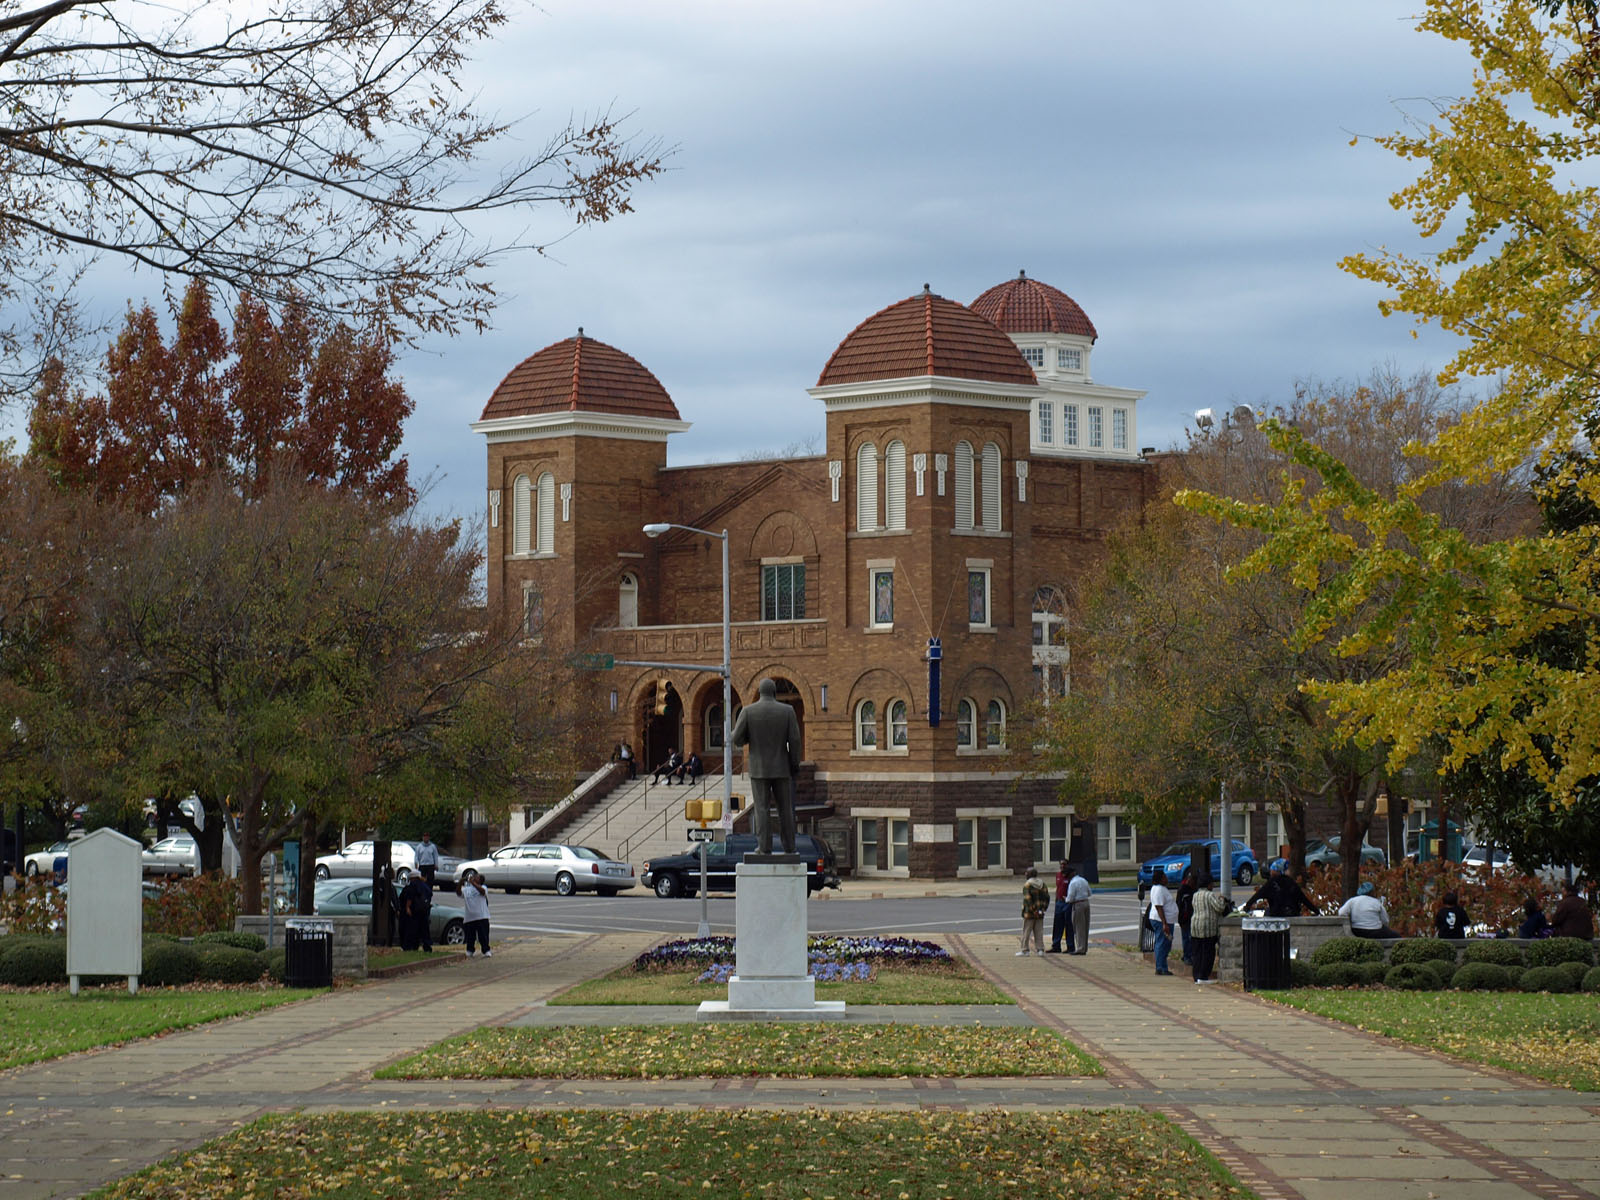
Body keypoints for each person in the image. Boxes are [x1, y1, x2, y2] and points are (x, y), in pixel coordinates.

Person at [730, 678, 803, 854]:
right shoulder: (788, 711)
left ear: (759, 692)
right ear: (774, 693)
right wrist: (794, 764)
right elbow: (795, 741)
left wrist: (750, 737)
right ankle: (790, 846)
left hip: (758, 768)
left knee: (761, 808)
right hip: (782, 767)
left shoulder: (748, 711)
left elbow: (736, 739)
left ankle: (764, 847)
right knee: (785, 809)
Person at [1190, 874, 1232, 983]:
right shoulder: (1210, 895)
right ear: (1208, 885)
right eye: (1212, 883)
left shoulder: (1195, 895)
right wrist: (1222, 899)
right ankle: (1203, 976)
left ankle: (1196, 975)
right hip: (1207, 927)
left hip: (1195, 926)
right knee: (1207, 952)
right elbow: (1219, 908)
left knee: (1197, 953)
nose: (1213, 885)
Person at [1244, 860, 1318, 918]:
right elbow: (1304, 899)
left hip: (1276, 913)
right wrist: (1316, 911)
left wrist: (1247, 907)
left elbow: (1257, 896)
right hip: (1292, 913)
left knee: (1267, 912)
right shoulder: (1291, 883)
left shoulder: (1271, 883)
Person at [1148, 869, 1179, 975]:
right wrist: (1164, 923)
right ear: (1161, 879)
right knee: (1162, 943)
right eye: (1165, 877)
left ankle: (1162, 966)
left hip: (1167, 920)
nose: (1167, 878)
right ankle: (1161, 967)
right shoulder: (1159, 890)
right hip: (1161, 920)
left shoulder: (1160, 888)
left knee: (1164, 943)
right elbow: (1159, 907)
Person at [1018, 866, 1050, 956]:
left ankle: (1025, 950)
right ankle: (1040, 949)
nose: (1025, 874)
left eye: (1026, 873)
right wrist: (1043, 909)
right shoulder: (1042, 884)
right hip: (1040, 913)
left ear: (1030, 875)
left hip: (1029, 913)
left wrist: (1033, 910)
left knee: (1026, 931)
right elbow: (1047, 897)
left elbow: (1028, 899)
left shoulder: (1028, 885)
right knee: (1039, 931)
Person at [461, 869, 492, 957]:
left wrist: (473, 883)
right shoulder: (466, 889)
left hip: (482, 916)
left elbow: (482, 892)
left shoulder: (484, 887)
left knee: (483, 936)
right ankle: (470, 950)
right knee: (470, 936)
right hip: (470, 917)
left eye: (477, 877)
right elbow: (459, 893)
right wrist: (460, 882)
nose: (474, 877)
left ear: (480, 880)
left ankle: (486, 950)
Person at [399, 873, 433, 952]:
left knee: (412, 930)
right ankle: (427, 947)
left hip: (414, 911)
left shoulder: (412, 886)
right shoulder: (425, 886)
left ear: (411, 878)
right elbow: (430, 895)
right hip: (424, 911)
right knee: (424, 931)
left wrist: (407, 908)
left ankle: (410, 947)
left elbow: (409, 897)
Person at [1066, 861, 1092, 954]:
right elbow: (1089, 893)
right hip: (1086, 903)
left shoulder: (1072, 883)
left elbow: (1070, 898)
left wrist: (1066, 899)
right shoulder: (1083, 880)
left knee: (1078, 927)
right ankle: (1084, 947)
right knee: (1085, 926)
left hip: (1077, 904)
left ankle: (1080, 948)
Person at [1049, 860, 1072, 953]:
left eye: (1064, 864)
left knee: (1068, 925)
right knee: (1057, 925)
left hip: (1067, 902)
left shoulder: (1071, 876)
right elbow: (1057, 888)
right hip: (1059, 902)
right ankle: (1056, 946)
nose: (1062, 866)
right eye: (1061, 864)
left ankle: (1070, 946)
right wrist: (1056, 900)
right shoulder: (1058, 875)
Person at [1176, 866, 1198, 965]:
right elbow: (1181, 905)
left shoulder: (1189, 890)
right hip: (1185, 917)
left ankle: (1188, 955)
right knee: (1187, 937)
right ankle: (1187, 956)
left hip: (1188, 917)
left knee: (1189, 937)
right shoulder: (1184, 891)